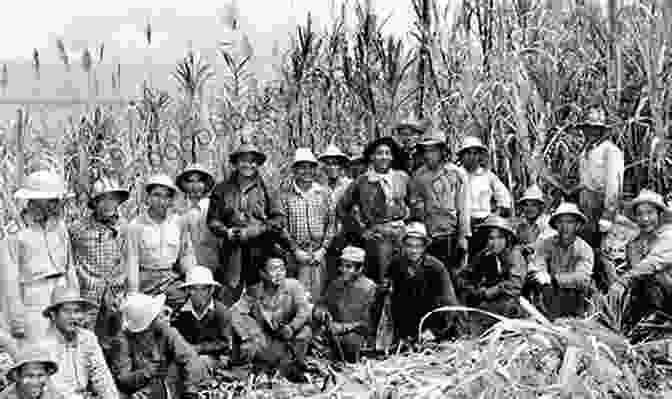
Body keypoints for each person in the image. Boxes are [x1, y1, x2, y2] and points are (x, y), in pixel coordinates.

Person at [0, 170, 79, 343]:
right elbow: (9, 280)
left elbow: (69, 266)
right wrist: (16, 319)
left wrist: (76, 299)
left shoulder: (60, 228)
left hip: (62, 292)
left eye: (57, 199)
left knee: (65, 348)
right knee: (40, 348)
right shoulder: (15, 234)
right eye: (51, 200)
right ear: (34, 200)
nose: (56, 204)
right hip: (34, 296)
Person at [207, 143, 286, 305]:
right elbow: (212, 220)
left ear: (257, 164)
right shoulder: (221, 189)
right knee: (227, 298)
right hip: (231, 253)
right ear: (236, 163)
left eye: (252, 161)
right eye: (243, 160)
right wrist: (226, 231)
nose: (248, 165)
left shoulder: (268, 189)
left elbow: (278, 220)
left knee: (260, 300)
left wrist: (255, 231)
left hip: (260, 252)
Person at [337, 137, 410, 283]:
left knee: (403, 276)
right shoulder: (362, 181)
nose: (384, 157)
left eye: (387, 153)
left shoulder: (402, 177)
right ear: (371, 156)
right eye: (379, 153)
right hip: (378, 238)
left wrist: (409, 223)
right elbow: (342, 208)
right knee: (381, 279)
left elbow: (413, 203)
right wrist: (362, 231)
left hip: (401, 235)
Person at [229, 258, 312, 382]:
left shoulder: (293, 286)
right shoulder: (255, 291)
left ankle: (290, 368)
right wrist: (249, 333)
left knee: (305, 332)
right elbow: (234, 313)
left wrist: (292, 327)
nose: (279, 273)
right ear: (263, 274)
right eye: (273, 269)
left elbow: (304, 309)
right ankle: (260, 369)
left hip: (288, 339)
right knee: (249, 341)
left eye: (282, 269)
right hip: (265, 340)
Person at [109, 293, 205, 399]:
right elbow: (122, 378)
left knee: (181, 368)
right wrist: (146, 372)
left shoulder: (165, 331)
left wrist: (190, 391)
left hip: (167, 384)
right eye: (157, 316)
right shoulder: (122, 341)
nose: (162, 317)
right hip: (138, 390)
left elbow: (189, 357)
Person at [69, 177, 129, 337]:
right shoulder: (78, 229)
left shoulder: (124, 227)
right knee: (85, 336)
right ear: (94, 203)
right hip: (89, 293)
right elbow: (67, 258)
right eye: (103, 199)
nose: (109, 204)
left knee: (116, 338)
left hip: (115, 293)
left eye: (113, 199)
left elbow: (127, 258)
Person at [126, 174, 196, 311]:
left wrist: (192, 279)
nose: (161, 201)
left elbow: (185, 254)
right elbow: (132, 260)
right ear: (148, 197)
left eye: (166, 196)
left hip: (170, 279)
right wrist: (133, 294)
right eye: (156, 195)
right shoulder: (136, 225)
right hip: (145, 280)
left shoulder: (178, 222)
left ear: (171, 200)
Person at [382, 222, 459, 344]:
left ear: (424, 247)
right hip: (406, 327)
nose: (413, 250)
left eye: (418, 246)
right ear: (403, 246)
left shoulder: (436, 268)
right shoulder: (396, 265)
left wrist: (435, 331)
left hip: (433, 326)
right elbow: (392, 299)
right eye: (409, 246)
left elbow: (449, 303)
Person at [410, 128, 470, 276]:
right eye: (426, 151)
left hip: (452, 234)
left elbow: (463, 207)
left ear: (442, 151)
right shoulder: (418, 176)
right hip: (429, 236)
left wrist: (463, 237)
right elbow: (415, 204)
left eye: (433, 150)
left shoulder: (456, 173)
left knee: (453, 275)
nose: (429, 155)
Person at [608, 190, 672, 327]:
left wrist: (622, 282)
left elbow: (652, 263)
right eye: (640, 214)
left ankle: (658, 318)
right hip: (648, 297)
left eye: (649, 213)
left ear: (659, 214)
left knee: (653, 274)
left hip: (668, 294)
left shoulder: (668, 235)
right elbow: (634, 273)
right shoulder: (634, 244)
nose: (645, 219)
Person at [280, 148, 337, 302]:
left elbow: (331, 224)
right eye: (302, 167)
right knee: (296, 296)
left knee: (318, 295)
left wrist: (323, 249)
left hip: (318, 252)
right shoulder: (285, 195)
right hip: (296, 254)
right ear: (295, 170)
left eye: (310, 167)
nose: (307, 171)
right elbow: (282, 227)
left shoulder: (324, 193)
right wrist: (295, 250)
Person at [41, 286, 118, 399]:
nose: (73, 317)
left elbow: (102, 376)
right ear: (53, 315)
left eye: (77, 311)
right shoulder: (44, 345)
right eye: (67, 311)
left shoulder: (87, 338)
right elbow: (52, 389)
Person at [457, 216, 526, 336]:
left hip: (511, 303)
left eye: (500, 238)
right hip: (487, 301)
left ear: (507, 239)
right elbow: (464, 276)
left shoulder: (514, 255)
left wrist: (493, 290)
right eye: (491, 238)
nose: (495, 243)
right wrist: (474, 289)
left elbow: (515, 285)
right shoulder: (484, 255)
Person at [567, 107, 624, 248]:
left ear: (602, 130)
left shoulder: (610, 151)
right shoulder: (586, 151)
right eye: (587, 128)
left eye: (595, 129)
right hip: (586, 203)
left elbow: (614, 184)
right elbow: (586, 180)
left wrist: (608, 215)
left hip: (600, 203)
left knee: (603, 246)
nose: (590, 132)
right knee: (587, 243)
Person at [527, 203, 595, 319]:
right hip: (550, 294)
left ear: (577, 225)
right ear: (556, 225)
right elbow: (537, 262)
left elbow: (582, 278)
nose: (564, 226)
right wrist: (540, 272)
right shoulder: (547, 243)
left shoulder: (584, 249)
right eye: (560, 222)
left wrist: (554, 278)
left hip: (575, 297)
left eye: (569, 222)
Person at [313, 246, 376, 363]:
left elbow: (368, 323)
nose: (343, 270)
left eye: (349, 267)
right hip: (334, 332)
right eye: (342, 266)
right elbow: (322, 304)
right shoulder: (336, 284)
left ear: (360, 268)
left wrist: (342, 328)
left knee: (349, 342)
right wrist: (321, 312)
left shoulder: (370, 288)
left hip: (357, 336)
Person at [457, 136, 512, 255]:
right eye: (468, 153)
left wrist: (493, 217)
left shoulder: (488, 176)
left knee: (482, 259)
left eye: (475, 153)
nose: (472, 157)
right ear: (462, 156)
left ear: (480, 156)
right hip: (459, 226)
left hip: (483, 226)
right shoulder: (455, 175)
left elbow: (504, 198)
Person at [172, 266, 231, 370]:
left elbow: (224, 343)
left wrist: (199, 348)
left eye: (203, 289)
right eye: (193, 289)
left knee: (202, 362)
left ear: (211, 290)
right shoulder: (179, 313)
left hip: (212, 358)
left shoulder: (221, 312)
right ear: (188, 291)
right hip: (185, 357)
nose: (197, 294)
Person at [318, 144, 355, 286]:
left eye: (335, 164)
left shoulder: (350, 185)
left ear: (341, 166)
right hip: (327, 239)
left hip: (348, 236)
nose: (332, 167)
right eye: (328, 164)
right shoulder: (320, 188)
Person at [176, 164, 221, 277]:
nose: (194, 186)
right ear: (184, 185)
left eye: (199, 181)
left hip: (211, 270)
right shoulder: (177, 211)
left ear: (206, 185)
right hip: (184, 271)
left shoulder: (214, 208)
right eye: (190, 181)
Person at [514, 185, 555, 263]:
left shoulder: (547, 221)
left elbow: (545, 241)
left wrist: (528, 247)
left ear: (540, 207)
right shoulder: (521, 223)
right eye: (526, 205)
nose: (529, 209)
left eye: (534, 205)